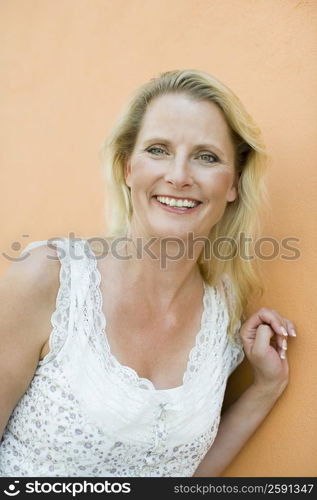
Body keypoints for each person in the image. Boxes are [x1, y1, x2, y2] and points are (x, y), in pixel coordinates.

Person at [0, 69, 296, 477]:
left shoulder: (224, 307)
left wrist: (266, 387)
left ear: (234, 184)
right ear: (127, 168)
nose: (178, 175)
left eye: (206, 156)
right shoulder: (48, 280)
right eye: (158, 149)